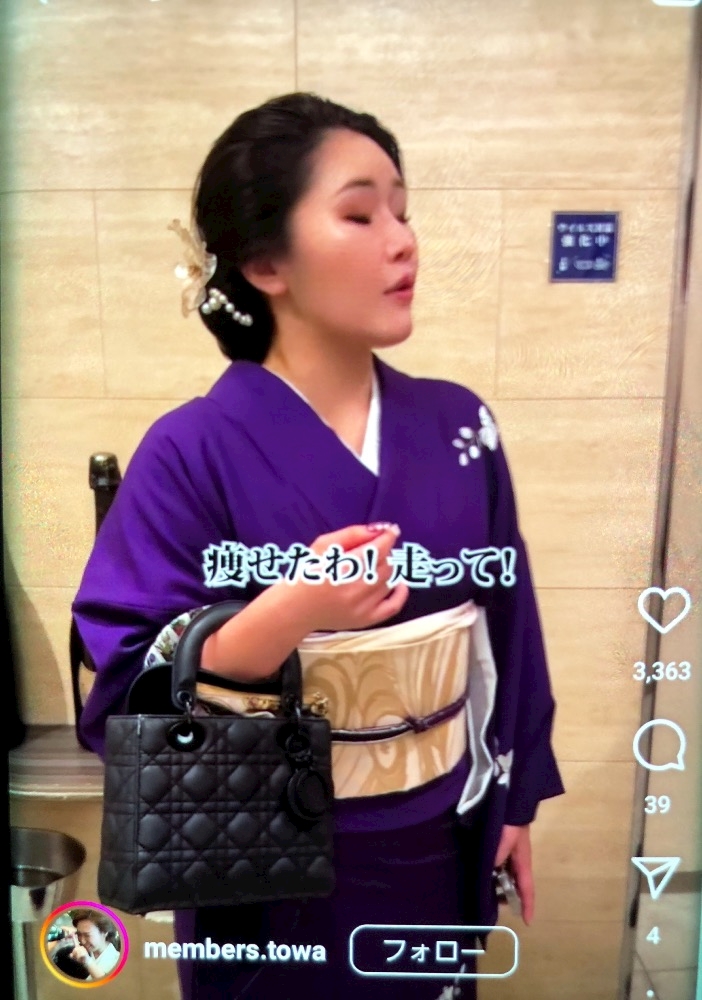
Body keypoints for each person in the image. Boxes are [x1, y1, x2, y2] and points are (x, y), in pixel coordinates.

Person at [73, 92, 564, 999]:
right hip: (260, 859)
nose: (403, 241)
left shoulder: (460, 425)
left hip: (440, 839)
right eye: (361, 214)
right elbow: (129, 687)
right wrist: (293, 611)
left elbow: (509, 627)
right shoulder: (190, 448)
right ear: (266, 262)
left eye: (403, 212)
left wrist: (516, 798)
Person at [48, 911, 120, 981]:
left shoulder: (117, 961)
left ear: (104, 932)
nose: (82, 941)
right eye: (79, 934)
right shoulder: (71, 952)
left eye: (87, 935)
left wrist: (87, 961)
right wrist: (60, 942)